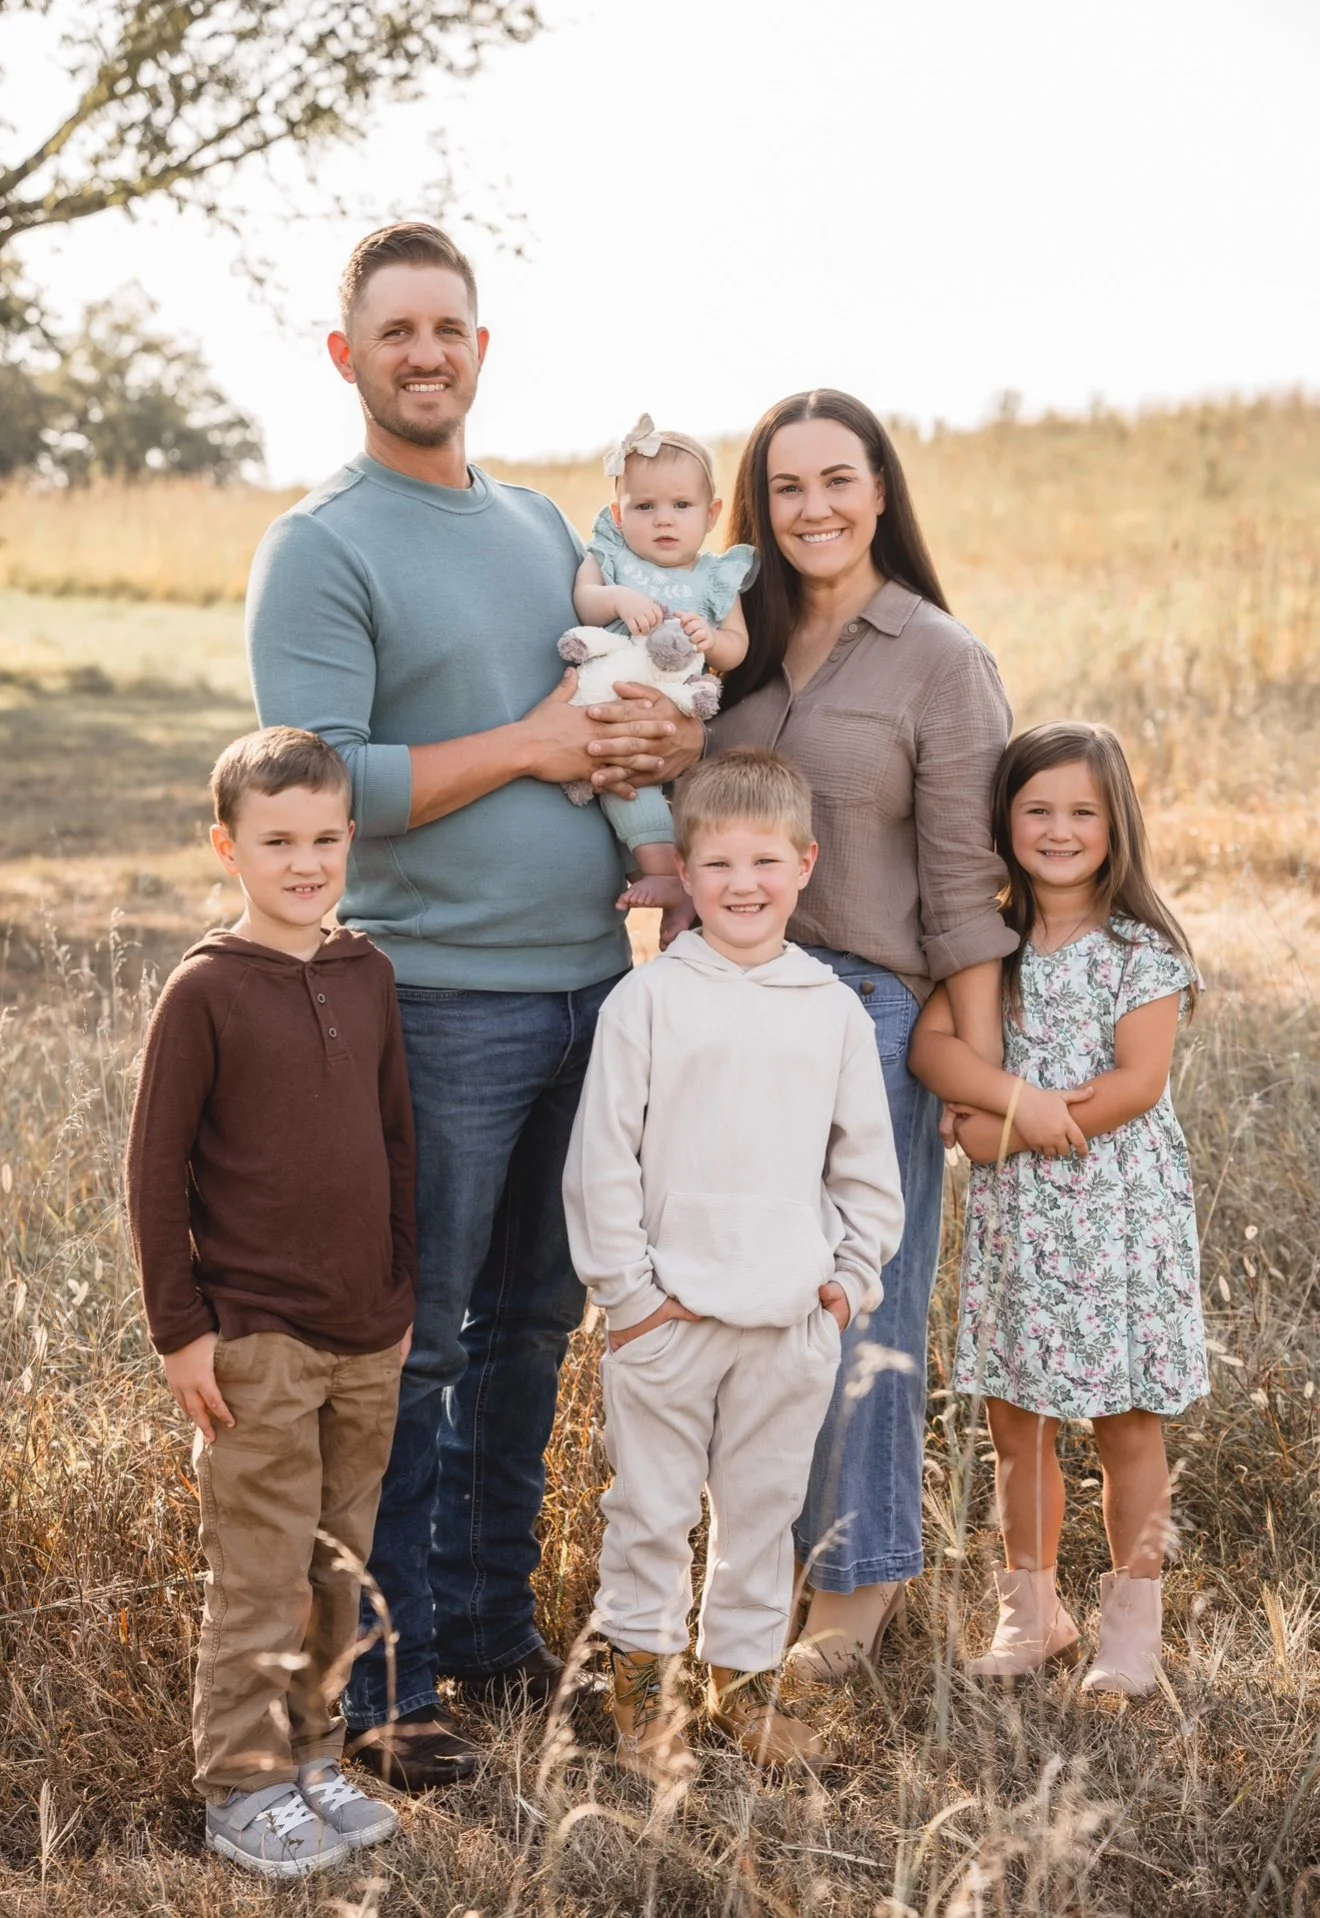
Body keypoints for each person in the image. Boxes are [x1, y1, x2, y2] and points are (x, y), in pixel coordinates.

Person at [246, 222, 705, 1788]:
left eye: (450, 326)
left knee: (533, 1329)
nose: (426, 352)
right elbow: (320, 782)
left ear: (483, 348)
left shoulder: (536, 530)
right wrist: (523, 748)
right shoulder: (323, 545)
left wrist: (650, 750)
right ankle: (389, 1683)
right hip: (436, 1006)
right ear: (347, 356)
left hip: (599, 990)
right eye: (396, 331)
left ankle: (496, 1638)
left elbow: (615, 718)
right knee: (420, 1346)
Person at [706, 389, 1019, 1680]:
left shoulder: (939, 658)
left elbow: (965, 885)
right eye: (787, 487)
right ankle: (751, 1568)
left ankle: (855, 1590)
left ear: (882, 489)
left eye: (839, 479)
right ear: (759, 508)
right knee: (739, 1307)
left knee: (855, 1306)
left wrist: (983, 1074)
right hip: (719, 1004)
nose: (815, 507)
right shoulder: (730, 647)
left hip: (865, 1013)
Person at [563, 751, 904, 1779]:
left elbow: (866, 1166)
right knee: (651, 1514)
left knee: (763, 1511)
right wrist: (629, 1295)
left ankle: (743, 1685)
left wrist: (849, 1282)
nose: (742, 884)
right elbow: (602, 1159)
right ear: (687, 873)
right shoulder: (650, 1001)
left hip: (791, 1319)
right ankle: (643, 1700)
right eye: (718, 864)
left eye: (765, 860)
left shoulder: (832, 1007)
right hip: (666, 1319)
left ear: (806, 863)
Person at [125, 728, 415, 1877]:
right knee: (261, 1570)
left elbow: (399, 1146)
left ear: (353, 839)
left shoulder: (369, 973)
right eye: (278, 840)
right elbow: (154, 1174)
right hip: (255, 1339)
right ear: (227, 848)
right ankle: (240, 1785)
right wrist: (182, 1331)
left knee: (340, 1565)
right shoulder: (205, 989)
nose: (306, 861)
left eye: (326, 838)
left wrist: (400, 1294)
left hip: (365, 1332)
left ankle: (313, 1757)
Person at [909, 721, 1208, 1693]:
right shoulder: (987, 944)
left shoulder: (1139, 949)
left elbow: (1137, 1084)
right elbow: (933, 1050)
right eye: (1037, 808)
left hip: (1119, 1211)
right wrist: (1018, 1102)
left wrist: (1011, 1128)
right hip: (1021, 1224)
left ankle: (1133, 1623)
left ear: (1116, 823)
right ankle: (1031, 1612)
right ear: (1004, 818)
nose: (1059, 828)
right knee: (1016, 1415)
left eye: (1082, 809)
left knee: (1126, 1419)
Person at [571, 413, 754, 940]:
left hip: (679, 705)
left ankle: (688, 897)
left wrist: (710, 639)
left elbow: (736, 648)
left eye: (681, 506)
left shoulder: (715, 579)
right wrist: (618, 598)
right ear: (618, 513)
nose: (663, 520)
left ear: (712, 513)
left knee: (701, 810)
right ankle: (657, 873)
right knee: (627, 789)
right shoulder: (611, 561)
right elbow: (585, 603)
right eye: (644, 507)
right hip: (615, 701)